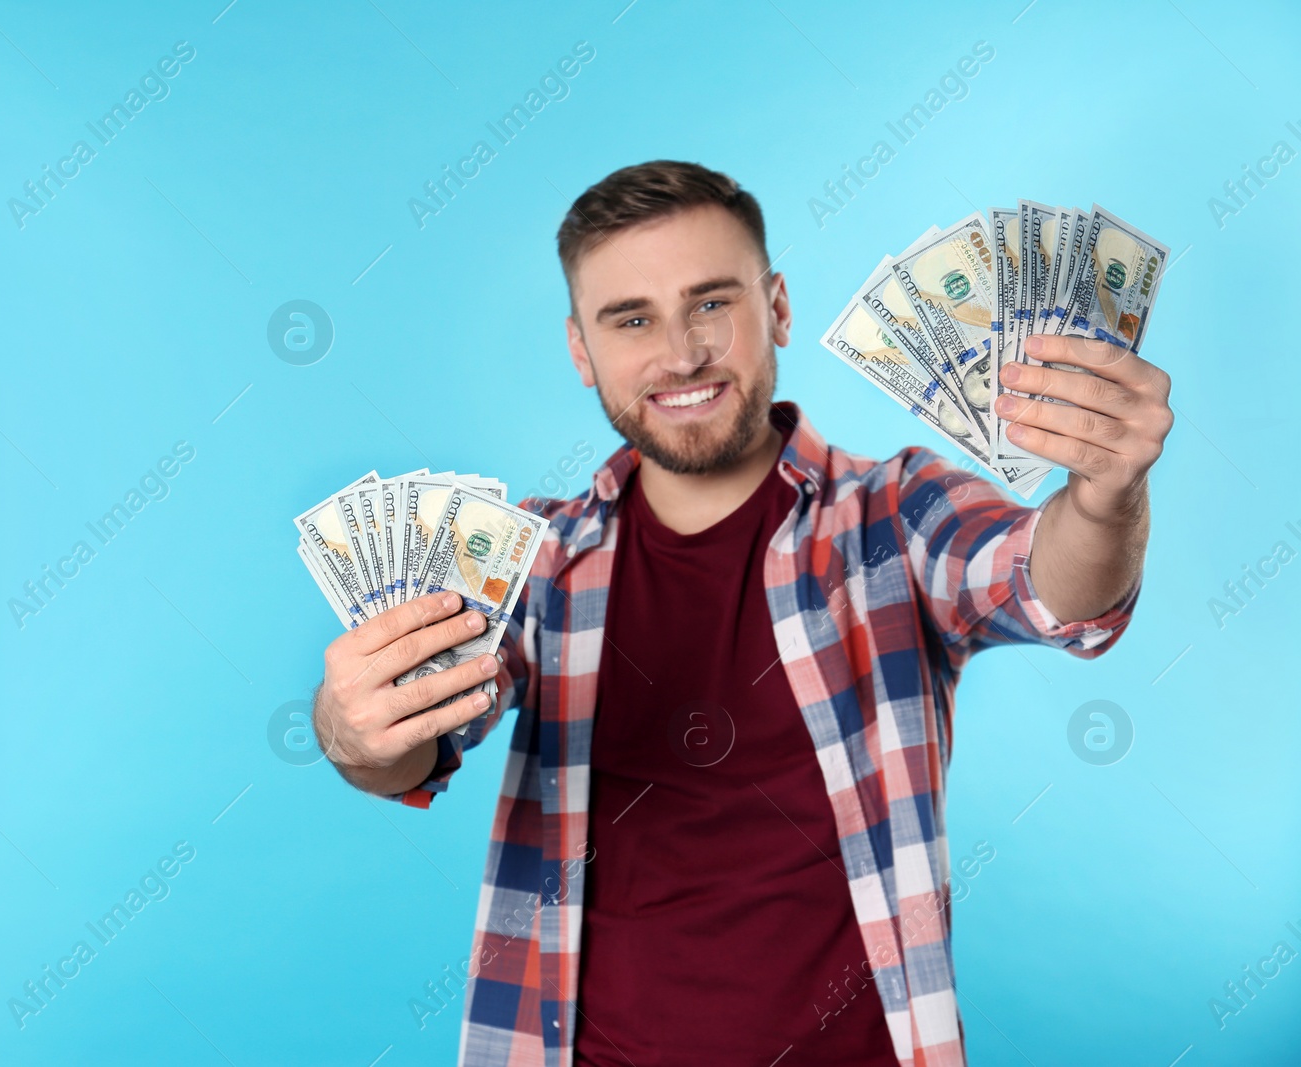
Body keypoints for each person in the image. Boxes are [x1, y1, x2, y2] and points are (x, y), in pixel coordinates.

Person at [311, 161, 1171, 1066]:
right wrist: (352, 730)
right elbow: (421, 736)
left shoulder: (896, 513)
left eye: (711, 303)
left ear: (780, 310)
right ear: (580, 351)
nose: (681, 353)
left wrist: (1108, 496)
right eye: (631, 319)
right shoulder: (537, 558)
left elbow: (1049, 586)